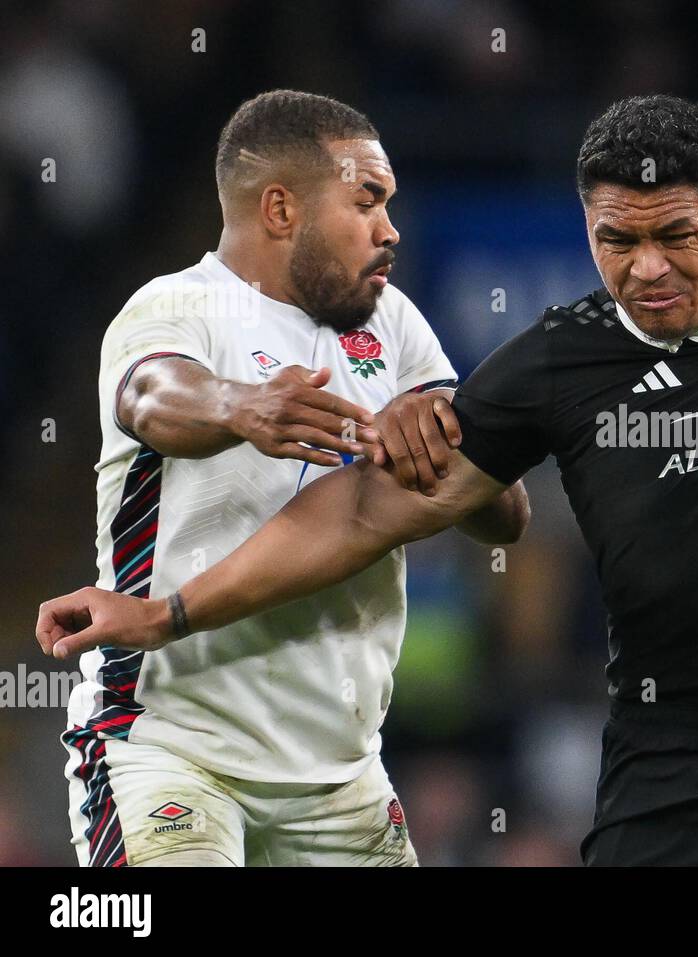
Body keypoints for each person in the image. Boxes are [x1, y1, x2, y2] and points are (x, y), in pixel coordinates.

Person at [39, 93, 698, 866]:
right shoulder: (564, 357)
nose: (642, 269)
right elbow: (362, 513)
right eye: (614, 239)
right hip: (662, 769)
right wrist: (168, 617)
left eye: (673, 235)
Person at [54, 89, 528, 867]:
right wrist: (240, 405)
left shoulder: (394, 323)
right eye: (366, 201)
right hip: (170, 747)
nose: (390, 228)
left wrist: (449, 431)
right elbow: (152, 396)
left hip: (340, 777)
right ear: (280, 209)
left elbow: (504, 514)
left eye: (390, 204)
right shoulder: (176, 305)